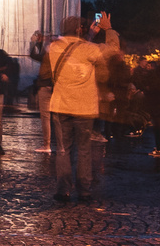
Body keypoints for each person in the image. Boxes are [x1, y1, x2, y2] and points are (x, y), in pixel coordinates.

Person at [41, 15, 107, 204]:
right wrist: (107, 31)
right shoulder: (88, 48)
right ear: (80, 29)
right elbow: (105, 53)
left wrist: (87, 36)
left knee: (63, 150)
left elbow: (72, 48)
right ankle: (84, 190)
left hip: (61, 105)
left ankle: (63, 190)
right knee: (84, 150)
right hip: (84, 108)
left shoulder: (54, 47)